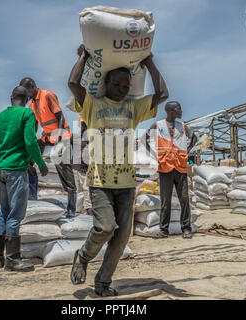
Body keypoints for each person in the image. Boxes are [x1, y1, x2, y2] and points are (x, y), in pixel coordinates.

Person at [67, 44, 168, 296]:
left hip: (125, 183)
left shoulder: (133, 108)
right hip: (100, 181)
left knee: (122, 238)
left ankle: (103, 283)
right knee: (106, 227)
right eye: (117, 85)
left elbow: (163, 94)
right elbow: (72, 83)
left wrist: (151, 63)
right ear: (107, 84)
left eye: (126, 86)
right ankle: (83, 256)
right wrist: (84, 57)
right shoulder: (93, 104)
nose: (122, 90)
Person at [0, 86, 48, 272]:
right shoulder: (27, 114)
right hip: (17, 170)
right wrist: (41, 164)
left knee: (4, 212)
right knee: (15, 214)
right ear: (27, 100)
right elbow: (30, 141)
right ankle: (13, 260)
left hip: (1, 169)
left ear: (11, 97)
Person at [20, 77, 77, 217]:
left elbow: (61, 117)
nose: (25, 95)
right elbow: (34, 127)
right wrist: (29, 142)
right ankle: (32, 195)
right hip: (47, 136)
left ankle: (71, 207)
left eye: (26, 91)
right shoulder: (32, 105)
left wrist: (58, 137)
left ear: (32, 87)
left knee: (62, 166)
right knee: (28, 160)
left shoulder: (47, 95)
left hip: (61, 135)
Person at [143, 102, 197, 239]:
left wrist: (187, 151)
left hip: (180, 166)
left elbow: (195, 138)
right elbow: (144, 139)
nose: (181, 111)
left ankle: (186, 228)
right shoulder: (158, 125)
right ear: (171, 111)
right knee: (165, 201)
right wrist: (154, 155)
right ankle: (164, 230)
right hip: (165, 167)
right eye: (179, 108)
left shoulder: (183, 126)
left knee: (184, 198)